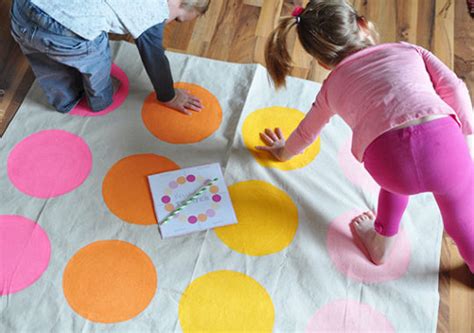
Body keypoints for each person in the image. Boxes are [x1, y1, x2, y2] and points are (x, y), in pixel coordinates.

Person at [257, 0, 474, 272]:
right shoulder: (408, 50)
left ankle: (381, 241)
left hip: (389, 163)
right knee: (462, 217)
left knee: (394, 184)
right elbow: (455, 88)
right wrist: (465, 138)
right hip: (445, 148)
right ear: (362, 25)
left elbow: (307, 131)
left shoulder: (330, 87)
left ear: (323, 62)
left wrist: (282, 151)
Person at [10, 0, 208, 114]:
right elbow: (155, 58)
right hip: (66, 30)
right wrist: (169, 96)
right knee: (97, 59)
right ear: (180, 3)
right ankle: (101, 101)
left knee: (45, 63)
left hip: (22, 10)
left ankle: (64, 100)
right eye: (177, 19)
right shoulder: (155, 12)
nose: (168, 21)